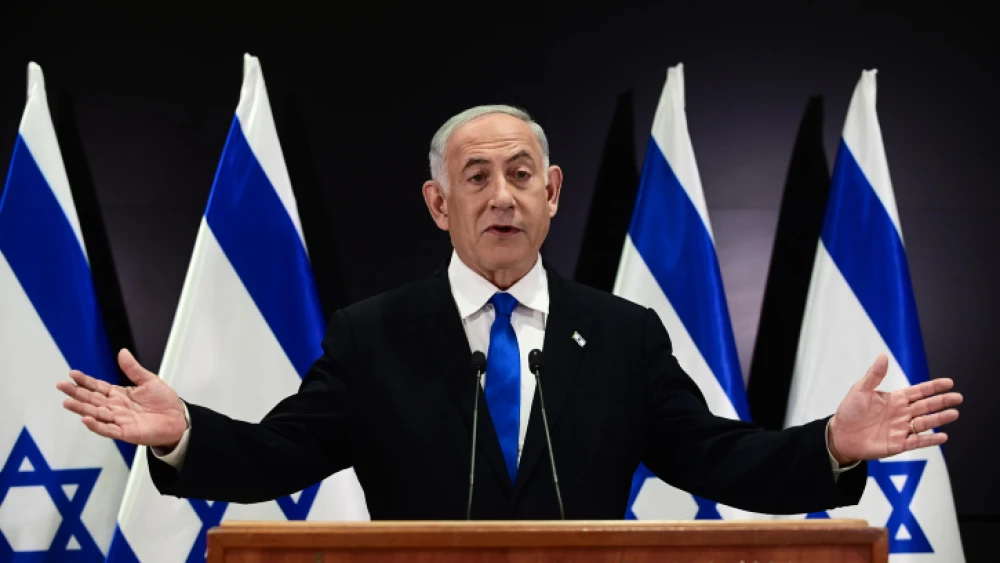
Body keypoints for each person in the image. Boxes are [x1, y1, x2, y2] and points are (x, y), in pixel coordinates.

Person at [57, 105, 961, 520]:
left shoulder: (619, 335)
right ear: (438, 203)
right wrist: (183, 435)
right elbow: (275, 454)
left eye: (521, 174)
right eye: (476, 176)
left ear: (554, 193)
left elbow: (719, 456)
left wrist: (833, 446)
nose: (502, 195)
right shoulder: (374, 336)